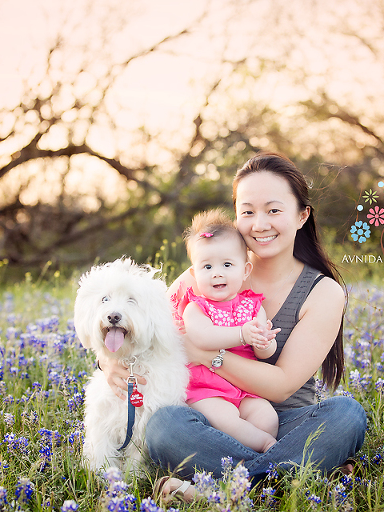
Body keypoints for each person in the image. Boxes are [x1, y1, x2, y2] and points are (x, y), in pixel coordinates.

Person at [98, 152, 367, 504]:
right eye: (247, 211)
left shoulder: (323, 292)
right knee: (166, 425)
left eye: (274, 210)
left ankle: (220, 489)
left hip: (281, 422)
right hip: (209, 417)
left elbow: (282, 385)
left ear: (302, 216)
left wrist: (205, 353)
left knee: (346, 414)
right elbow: (145, 327)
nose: (259, 224)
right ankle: (291, 477)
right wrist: (110, 363)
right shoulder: (208, 272)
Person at [178, 208, 280, 454]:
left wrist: (264, 342)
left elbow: (265, 353)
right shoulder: (195, 307)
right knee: (226, 422)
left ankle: (247, 460)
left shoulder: (253, 306)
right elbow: (202, 338)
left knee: (268, 418)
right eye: (207, 267)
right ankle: (268, 448)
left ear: (245, 271)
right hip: (207, 389)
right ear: (194, 274)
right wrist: (242, 335)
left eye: (226, 264)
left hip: (245, 387)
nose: (217, 273)